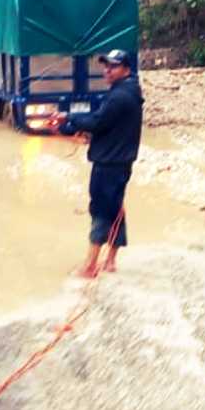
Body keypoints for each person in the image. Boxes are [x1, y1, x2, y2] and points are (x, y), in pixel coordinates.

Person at [49, 49, 144, 278]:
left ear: (126, 69)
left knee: (101, 211)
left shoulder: (120, 96)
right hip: (118, 161)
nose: (107, 71)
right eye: (106, 66)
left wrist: (67, 118)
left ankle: (90, 267)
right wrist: (70, 128)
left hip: (109, 164)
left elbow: (98, 121)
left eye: (113, 67)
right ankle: (110, 261)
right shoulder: (127, 91)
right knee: (116, 210)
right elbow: (105, 124)